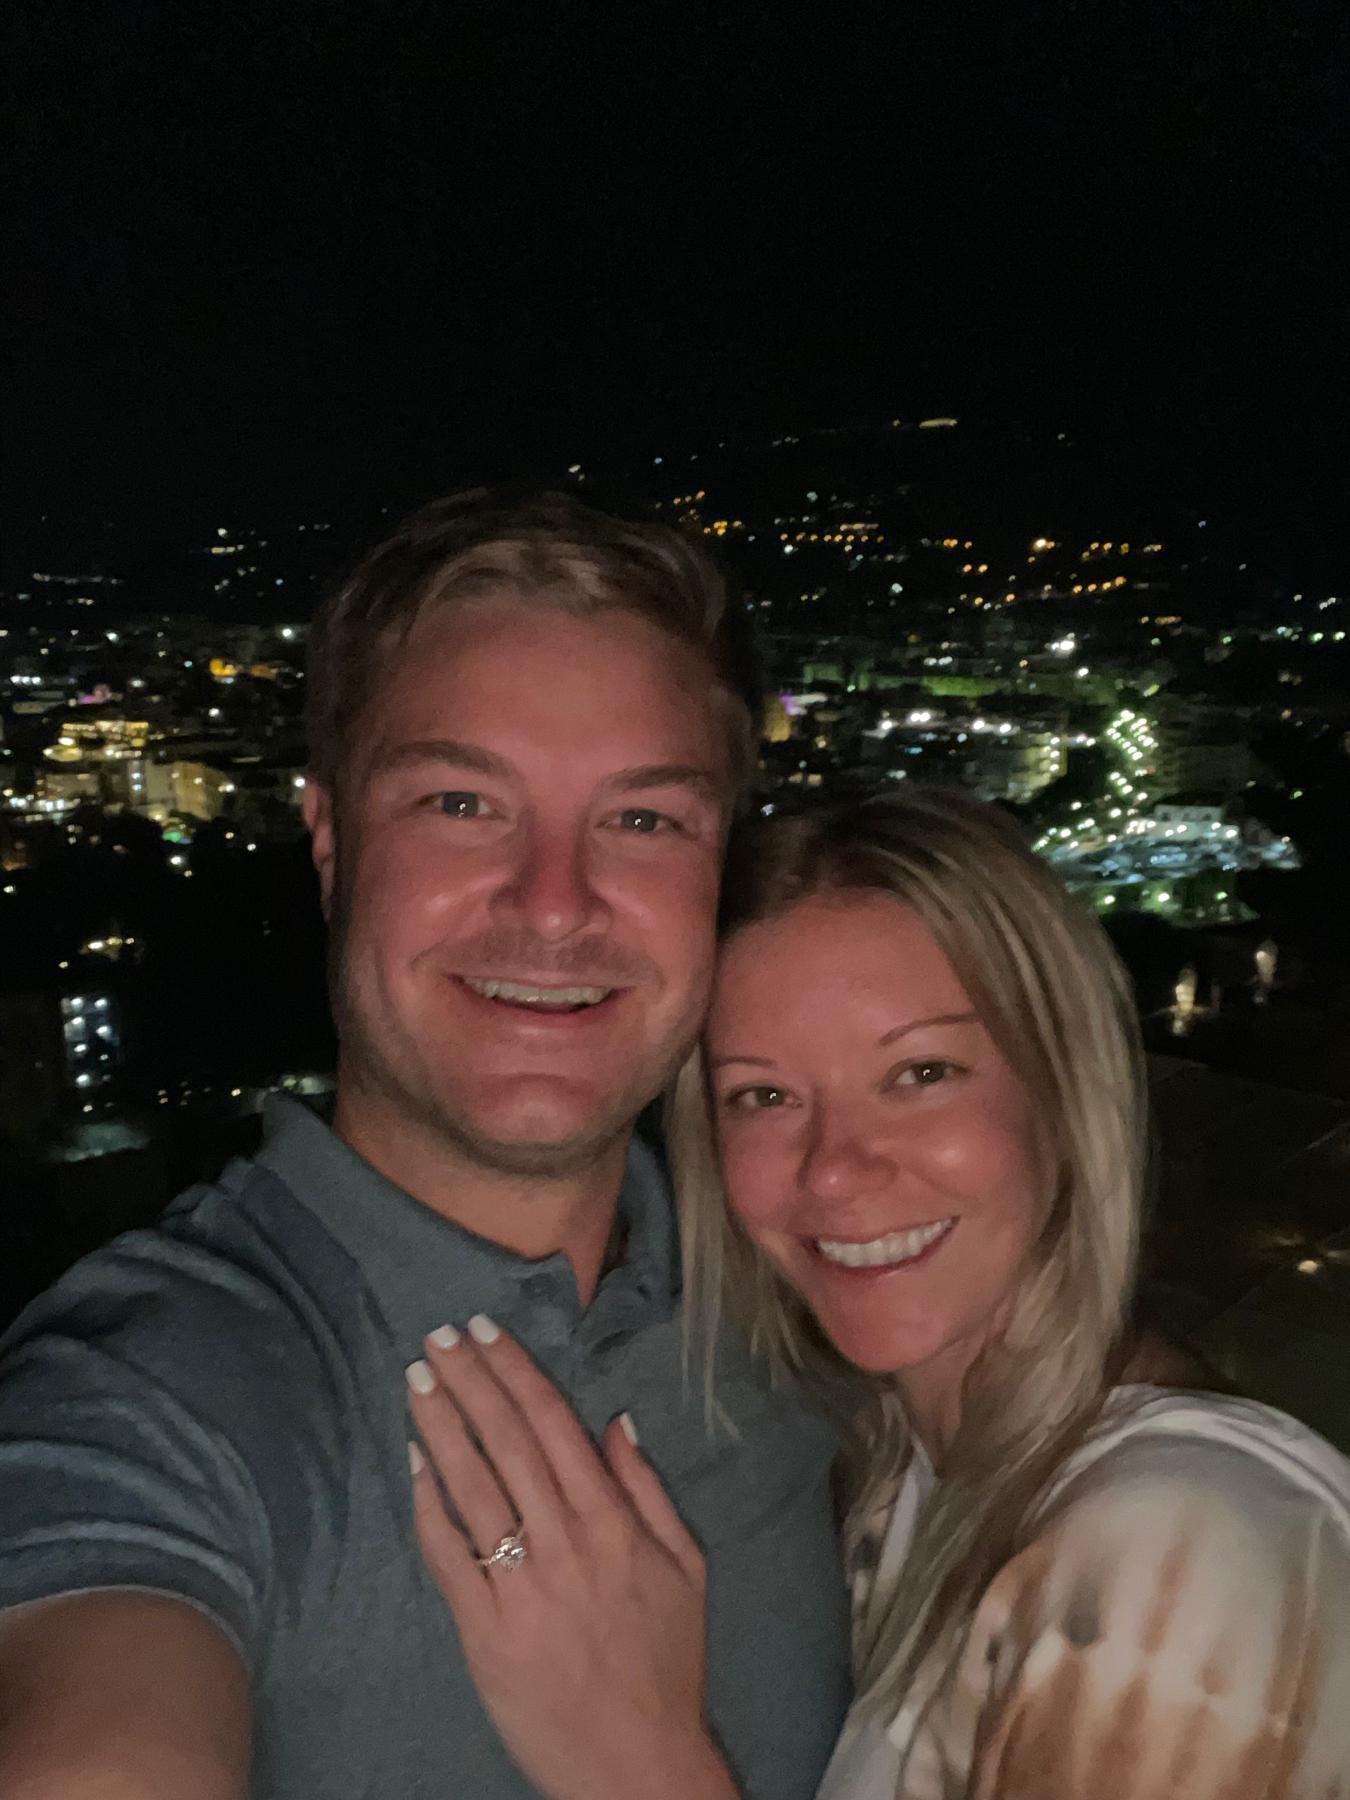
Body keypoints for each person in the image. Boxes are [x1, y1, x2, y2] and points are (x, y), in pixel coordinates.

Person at [0, 491, 852, 1799]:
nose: (553, 903)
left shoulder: (800, 1280)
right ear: (330, 842)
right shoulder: (152, 1402)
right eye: (461, 802)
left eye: (641, 819)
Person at [406, 787, 1350, 1799]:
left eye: (920, 1073)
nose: (834, 1170)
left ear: (1063, 1089)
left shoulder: (1182, 1558)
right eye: (763, 1097)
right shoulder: (895, 1464)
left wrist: (630, 1753)